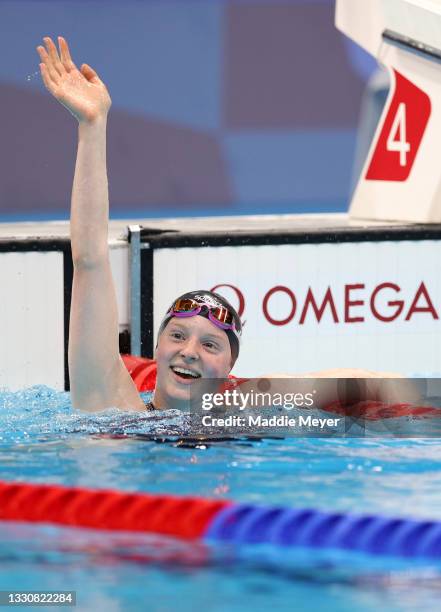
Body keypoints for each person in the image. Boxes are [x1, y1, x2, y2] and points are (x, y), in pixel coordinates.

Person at [37, 37, 416, 414]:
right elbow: (89, 260)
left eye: (210, 345)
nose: (189, 352)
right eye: (178, 336)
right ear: (156, 350)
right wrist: (92, 124)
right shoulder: (110, 401)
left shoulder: (244, 408)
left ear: (229, 370)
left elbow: (368, 381)